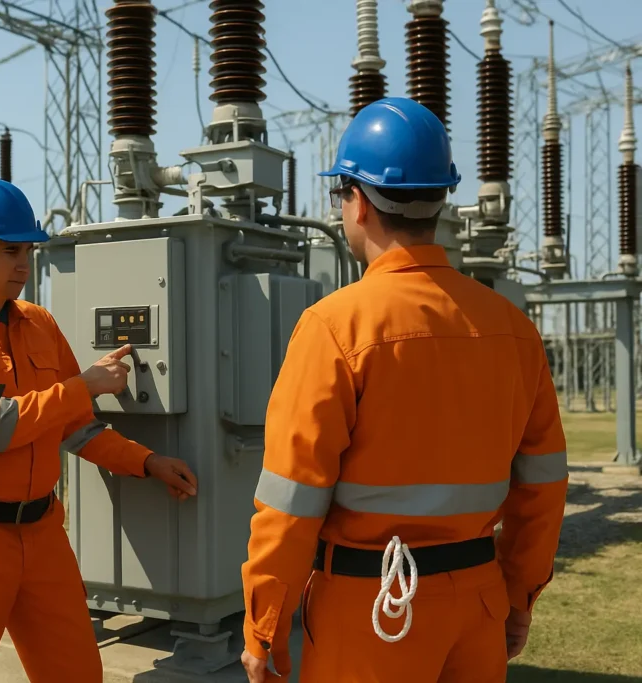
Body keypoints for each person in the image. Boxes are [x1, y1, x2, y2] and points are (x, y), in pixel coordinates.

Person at [239, 98, 568, 683]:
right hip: (478, 607)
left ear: (358, 202)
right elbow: (542, 484)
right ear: (438, 200)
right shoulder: (513, 329)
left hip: (374, 613)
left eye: (342, 195)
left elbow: (292, 502)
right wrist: (518, 595)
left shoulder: (335, 328)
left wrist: (266, 625)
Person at [0, 177, 200, 683]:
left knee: (78, 674)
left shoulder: (40, 323)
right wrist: (84, 385)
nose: (25, 263)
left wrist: (145, 462)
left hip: (42, 533)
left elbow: (77, 429)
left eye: (30, 251)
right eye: (11, 250)